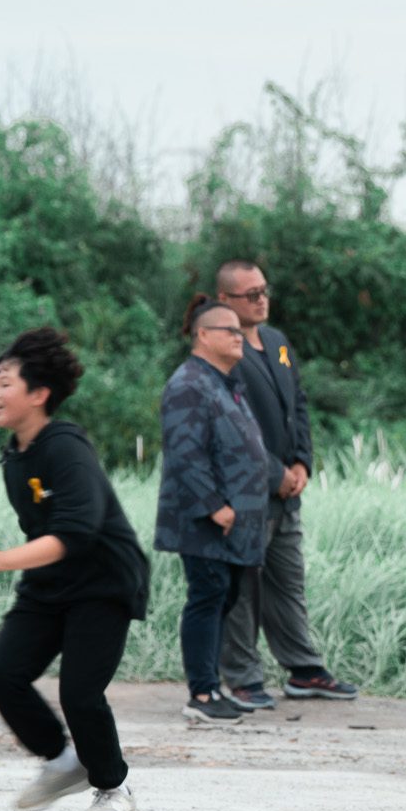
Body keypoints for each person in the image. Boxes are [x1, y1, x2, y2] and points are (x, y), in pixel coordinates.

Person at [0, 328, 150, 811]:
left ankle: (113, 787)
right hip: (50, 584)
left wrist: (3, 559)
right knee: (3, 675)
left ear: (39, 394)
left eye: (6, 383)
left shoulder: (65, 447)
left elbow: (78, 531)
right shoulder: (16, 458)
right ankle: (64, 762)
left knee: (80, 692)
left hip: (103, 582)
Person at [214, 260, 357, 709]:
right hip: (245, 491)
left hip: (286, 490)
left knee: (287, 582)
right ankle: (241, 678)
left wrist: (302, 464)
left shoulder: (276, 343)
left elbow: (298, 403)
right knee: (242, 589)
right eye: (249, 294)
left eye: (263, 290)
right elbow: (235, 426)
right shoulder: (223, 352)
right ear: (225, 301)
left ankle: (304, 669)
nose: (261, 299)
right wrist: (275, 474)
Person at [156, 295, 271, 725]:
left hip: (235, 520)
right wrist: (214, 506)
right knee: (206, 598)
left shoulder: (223, 381)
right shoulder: (188, 384)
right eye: (230, 331)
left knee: (222, 598)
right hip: (206, 520)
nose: (239, 337)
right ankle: (201, 694)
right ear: (203, 335)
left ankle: (212, 686)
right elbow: (185, 454)